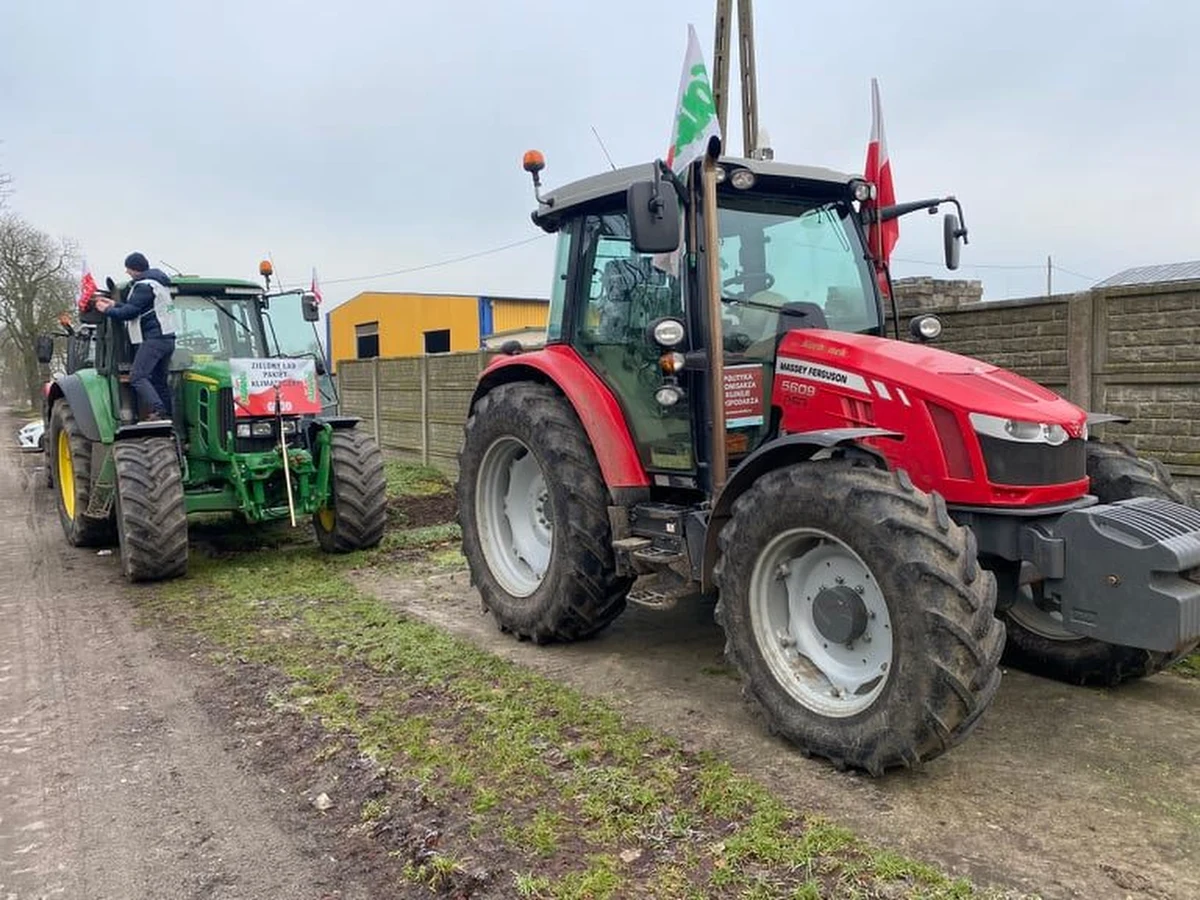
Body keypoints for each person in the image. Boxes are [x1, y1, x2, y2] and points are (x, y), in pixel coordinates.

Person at [94, 252, 178, 421]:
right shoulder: (158, 285)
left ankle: (159, 411)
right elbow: (141, 308)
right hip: (168, 339)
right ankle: (169, 415)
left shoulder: (143, 286)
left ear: (134, 269)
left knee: (137, 376)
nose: (127, 272)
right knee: (159, 380)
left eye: (128, 269)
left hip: (154, 339)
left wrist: (107, 310)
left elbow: (130, 313)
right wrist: (115, 304)